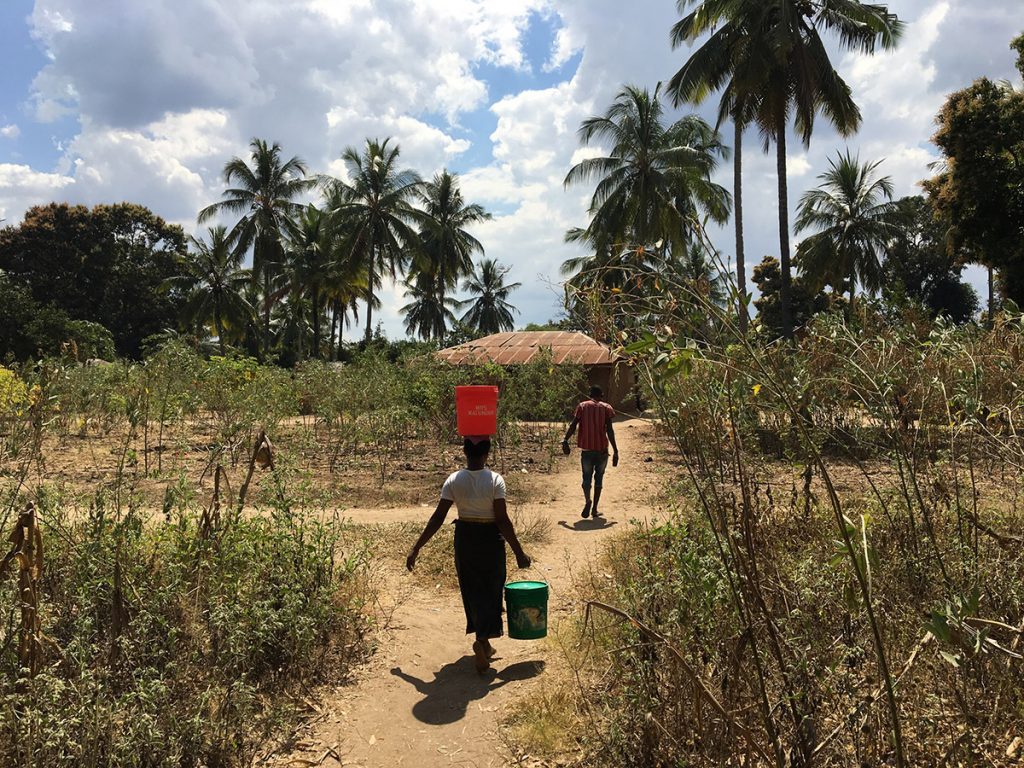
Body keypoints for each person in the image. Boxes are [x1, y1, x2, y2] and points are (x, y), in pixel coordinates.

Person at [407, 437, 531, 674]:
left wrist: (416, 547)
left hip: (465, 538)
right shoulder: (495, 480)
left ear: (464, 451)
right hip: (491, 540)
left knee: (472, 590)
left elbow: (438, 517)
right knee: (492, 588)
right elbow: (502, 519)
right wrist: (518, 552)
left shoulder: (454, 480)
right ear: (488, 453)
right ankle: (483, 641)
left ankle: (483, 642)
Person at [562, 385, 619, 518]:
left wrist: (565, 439)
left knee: (586, 479)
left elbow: (573, 424)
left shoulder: (582, 406)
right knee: (599, 479)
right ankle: (594, 509)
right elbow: (610, 431)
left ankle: (588, 500)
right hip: (602, 451)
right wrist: (615, 451)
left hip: (587, 451)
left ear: (590, 395)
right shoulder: (606, 408)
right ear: (601, 396)